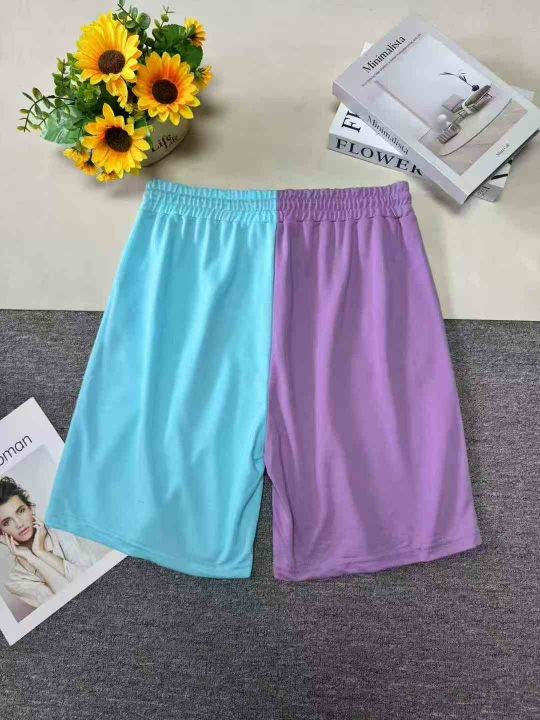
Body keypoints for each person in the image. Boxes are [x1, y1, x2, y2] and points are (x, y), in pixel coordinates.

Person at [0, 475, 103, 608]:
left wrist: (41, 552)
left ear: (31, 508)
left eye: (21, 511)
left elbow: (94, 583)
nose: (19, 524)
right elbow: (69, 603)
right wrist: (33, 558)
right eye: (7, 522)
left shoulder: (62, 530)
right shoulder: (16, 580)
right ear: (2, 534)